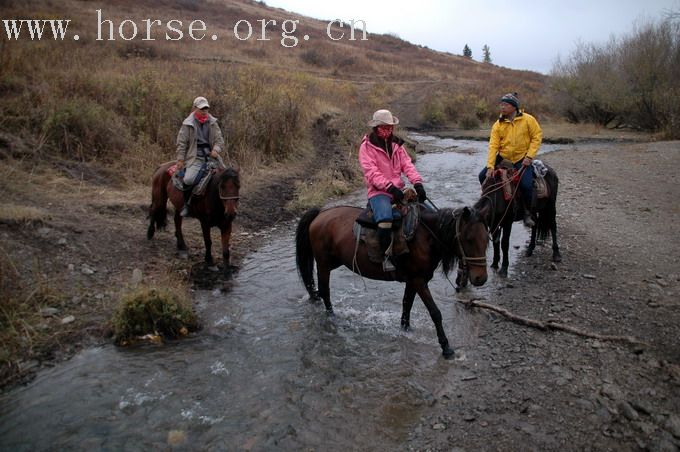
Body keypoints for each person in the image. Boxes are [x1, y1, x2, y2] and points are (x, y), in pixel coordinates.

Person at [359, 109, 427, 271]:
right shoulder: (366, 148)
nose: (388, 130)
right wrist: (389, 187)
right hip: (379, 192)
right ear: (376, 128)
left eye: (390, 127)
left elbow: (407, 165)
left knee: (426, 212)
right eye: (384, 127)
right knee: (385, 220)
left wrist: (417, 183)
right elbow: (371, 173)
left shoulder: (397, 145)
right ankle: (386, 256)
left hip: (398, 189)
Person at [479, 92, 542, 227]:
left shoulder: (528, 119)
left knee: (526, 185)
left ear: (514, 107)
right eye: (501, 104)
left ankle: (527, 212)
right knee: (482, 176)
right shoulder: (498, 124)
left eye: (505, 105)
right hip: (503, 157)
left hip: (522, 158)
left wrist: (529, 156)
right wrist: (490, 166)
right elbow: (493, 145)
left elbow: (537, 137)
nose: (502, 107)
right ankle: (487, 206)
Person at [175, 96, 225, 217]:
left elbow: (220, 140)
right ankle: (187, 205)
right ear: (195, 108)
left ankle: (226, 206)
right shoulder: (188, 124)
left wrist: (216, 150)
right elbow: (181, 143)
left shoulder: (213, 122)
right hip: (195, 156)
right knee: (188, 180)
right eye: (202, 109)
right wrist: (180, 159)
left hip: (212, 156)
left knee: (227, 177)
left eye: (206, 109)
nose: (204, 111)